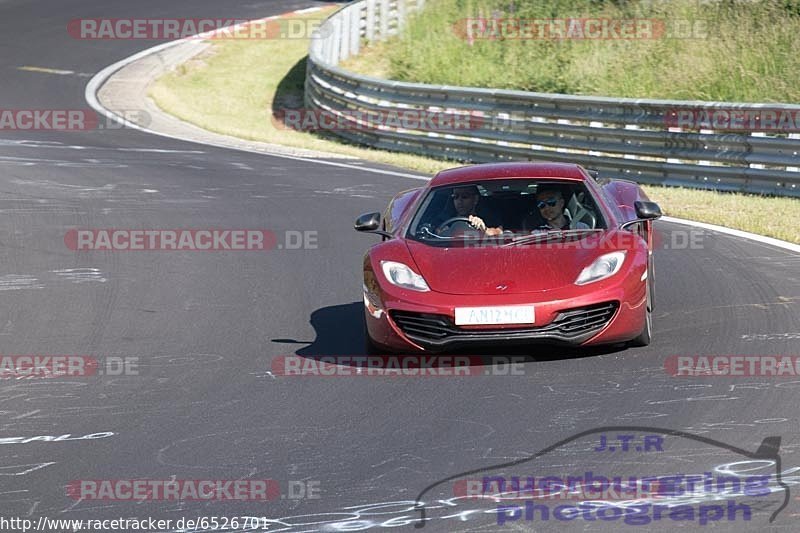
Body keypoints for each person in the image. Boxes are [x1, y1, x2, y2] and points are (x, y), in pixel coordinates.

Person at [435, 185, 503, 236]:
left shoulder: (488, 217)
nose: (459, 201)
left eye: (464, 196)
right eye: (456, 197)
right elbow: (432, 233)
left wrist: (484, 229)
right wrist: (441, 232)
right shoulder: (445, 218)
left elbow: (499, 232)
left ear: (475, 199)